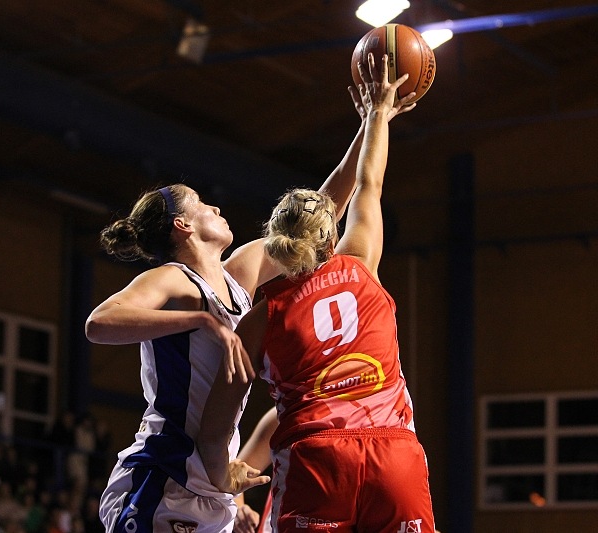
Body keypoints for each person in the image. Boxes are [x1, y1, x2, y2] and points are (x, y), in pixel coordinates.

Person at [83, 57, 418, 532]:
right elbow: (99, 323)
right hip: (164, 470)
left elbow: (320, 213)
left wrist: (371, 121)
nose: (216, 207)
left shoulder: (239, 272)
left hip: (211, 477)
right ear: (183, 226)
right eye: (203, 204)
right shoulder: (175, 280)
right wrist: (200, 320)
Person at [196, 53, 435, 533]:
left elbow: (216, 423)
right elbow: (368, 183)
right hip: (393, 451)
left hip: (317, 459)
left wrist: (223, 475)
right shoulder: (360, 263)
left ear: (275, 245)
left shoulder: (261, 317)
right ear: (330, 239)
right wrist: (377, 114)